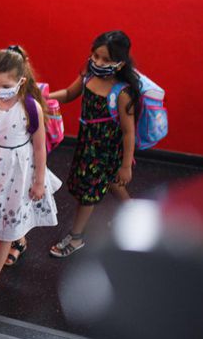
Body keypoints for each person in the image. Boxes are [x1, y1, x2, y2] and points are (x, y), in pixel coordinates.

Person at [0, 45, 61, 303]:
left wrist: (40, 181)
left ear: (21, 80)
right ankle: (18, 240)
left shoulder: (31, 107)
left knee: (3, 227)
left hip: (21, 168)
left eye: (5, 84)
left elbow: (40, 147)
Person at [48, 30, 140, 257]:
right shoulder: (88, 75)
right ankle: (134, 214)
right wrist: (45, 98)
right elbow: (70, 93)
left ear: (120, 63)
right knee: (111, 183)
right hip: (88, 145)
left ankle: (76, 237)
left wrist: (126, 165)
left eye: (106, 59)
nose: (98, 62)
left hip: (107, 149)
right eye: (96, 56)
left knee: (88, 193)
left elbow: (129, 132)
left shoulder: (122, 92)